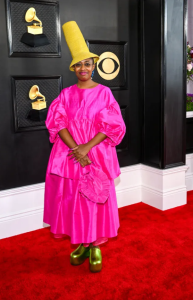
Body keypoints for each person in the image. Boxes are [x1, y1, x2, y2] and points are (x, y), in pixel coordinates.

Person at [43, 21, 126, 273]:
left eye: (87, 63)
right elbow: (58, 124)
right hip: (70, 155)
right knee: (73, 200)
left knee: (95, 199)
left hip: (96, 154)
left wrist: (86, 148)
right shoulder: (65, 95)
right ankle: (81, 242)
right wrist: (76, 149)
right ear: (73, 68)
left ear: (93, 66)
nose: (83, 68)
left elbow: (112, 125)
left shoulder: (104, 93)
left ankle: (96, 245)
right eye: (78, 64)